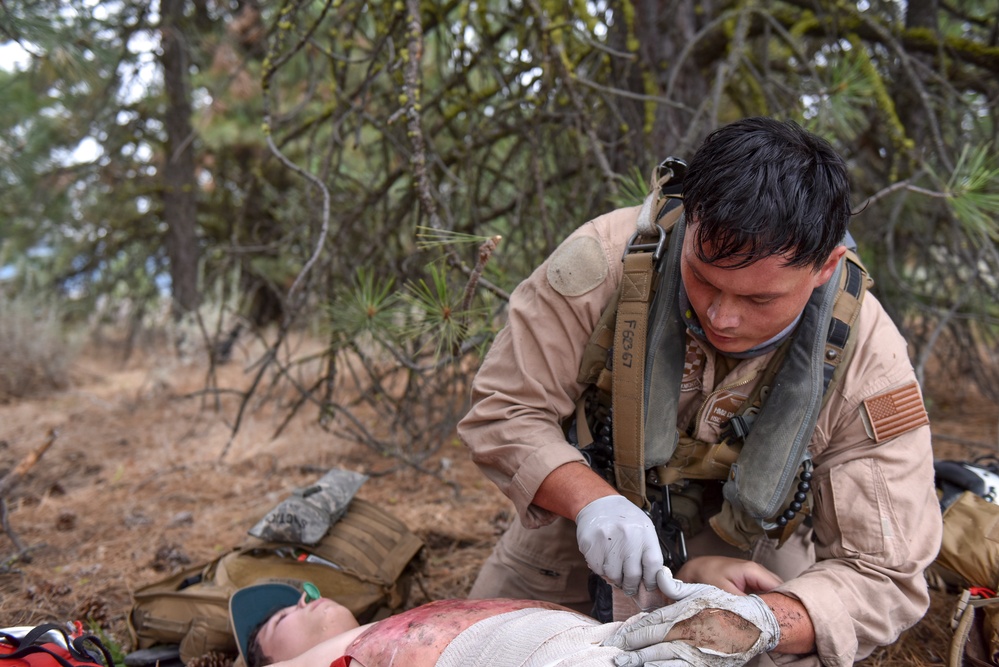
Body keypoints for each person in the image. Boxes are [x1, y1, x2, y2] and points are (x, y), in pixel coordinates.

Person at [457, 117, 943, 664]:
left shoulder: (869, 363)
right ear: (690, 222)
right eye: (704, 278)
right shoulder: (604, 263)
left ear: (825, 268)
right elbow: (506, 408)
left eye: (760, 300)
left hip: (747, 559)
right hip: (580, 529)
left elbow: (885, 570)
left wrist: (764, 622)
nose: (722, 316)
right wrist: (591, 502)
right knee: (476, 648)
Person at [228, 576, 783, 667]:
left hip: (565, 630)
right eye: (281, 619)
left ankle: (744, 622)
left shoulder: (389, 619)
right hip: (490, 655)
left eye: (303, 597)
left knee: (644, 638)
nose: (304, 603)